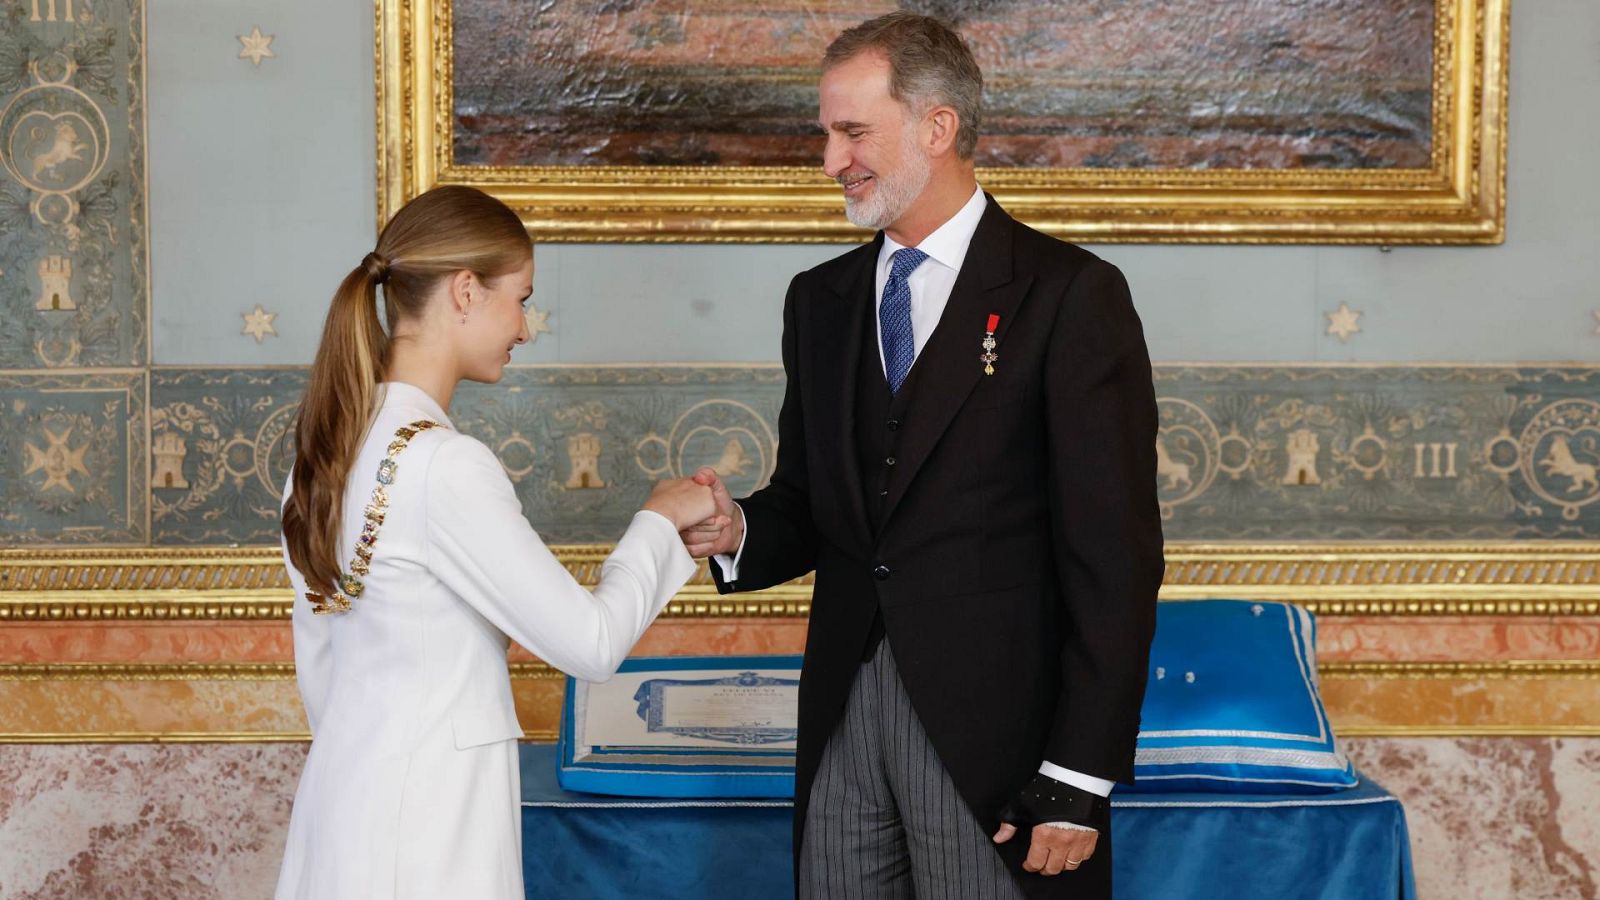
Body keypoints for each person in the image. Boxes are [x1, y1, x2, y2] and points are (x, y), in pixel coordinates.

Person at [682, 13, 1163, 899]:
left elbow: (1115, 559)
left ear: (938, 128)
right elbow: (813, 502)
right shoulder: (818, 300)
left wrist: (1080, 774)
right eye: (827, 134)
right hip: (842, 724)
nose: (831, 160)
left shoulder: (1071, 296)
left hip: (998, 742)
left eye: (852, 132)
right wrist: (737, 528)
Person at [275, 185, 716, 899]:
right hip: (430, 830)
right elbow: (590, 643)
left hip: (340, 811)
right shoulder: (445, 465)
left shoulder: (316, 461)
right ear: (465, 291)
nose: (527, 326)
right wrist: (660, 523)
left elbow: (320, 676)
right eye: (521, 297)